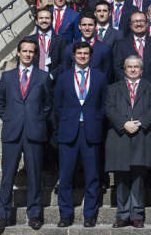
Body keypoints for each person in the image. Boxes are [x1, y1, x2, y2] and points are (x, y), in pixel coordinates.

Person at [0, 39, 51, 234]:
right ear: (18, 53)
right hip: (12, 133)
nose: (28, 54)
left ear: (36, 55)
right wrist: (10, 119)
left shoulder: (43, 77)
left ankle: (34, 215)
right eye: (24, 51)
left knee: (34, 175)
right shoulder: (7, 76)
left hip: (34, 132)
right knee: (7, 176)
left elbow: (47, 105)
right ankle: (4, 215)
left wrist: (36, 119)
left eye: (31, 52)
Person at [54, 42, 108, 228]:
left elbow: (103, 104)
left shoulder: (100, 77)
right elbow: (57, 106)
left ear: (90, 56)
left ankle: (90, 215)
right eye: (79, 53)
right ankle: (65, 214)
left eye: (86, 53)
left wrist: (95, 119)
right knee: (66, 175)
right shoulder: (63, 78)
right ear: (73, 55)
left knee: (92, 175)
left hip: (91, 130)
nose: (83, 56)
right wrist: (69, 120)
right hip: (69, 131)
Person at [104, 56, 151, 228]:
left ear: (142, 70)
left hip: (141, 135)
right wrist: (123, 123)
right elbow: (109, 108)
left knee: (138, 177)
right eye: (130, 67)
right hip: (120, 136)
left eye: (136, 67)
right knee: (120, 178)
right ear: (124, 69)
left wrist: (140, 122)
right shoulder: (113, 88)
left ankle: (137, 214)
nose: (133, 70)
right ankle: (122, 215)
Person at [112, 12, 151, 85]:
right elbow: (117, 69)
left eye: (142, 21)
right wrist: (132, 82)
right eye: (135, 22)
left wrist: (146, 84)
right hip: (128, 88)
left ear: (147, 24)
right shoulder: (120, 44)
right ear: (130, 25)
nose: (138, 24)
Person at [61, 12, 113, 81]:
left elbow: (107, 77)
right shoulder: (69, 48)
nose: (87, 28)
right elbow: (66, 75)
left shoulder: (105, 49)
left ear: (95, 26)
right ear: (79, 27)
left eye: (90, 25)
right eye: (84, 25)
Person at [25, 8, 66, 77]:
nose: (44, 20)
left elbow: (64, 63)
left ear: (52, 20)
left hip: (53, 82)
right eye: (41, 18)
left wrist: (51, 76)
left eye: (47, 18)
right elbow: (22, 63)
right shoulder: (28, 40)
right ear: (36, 21)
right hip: (33, 81)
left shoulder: (61, 40)